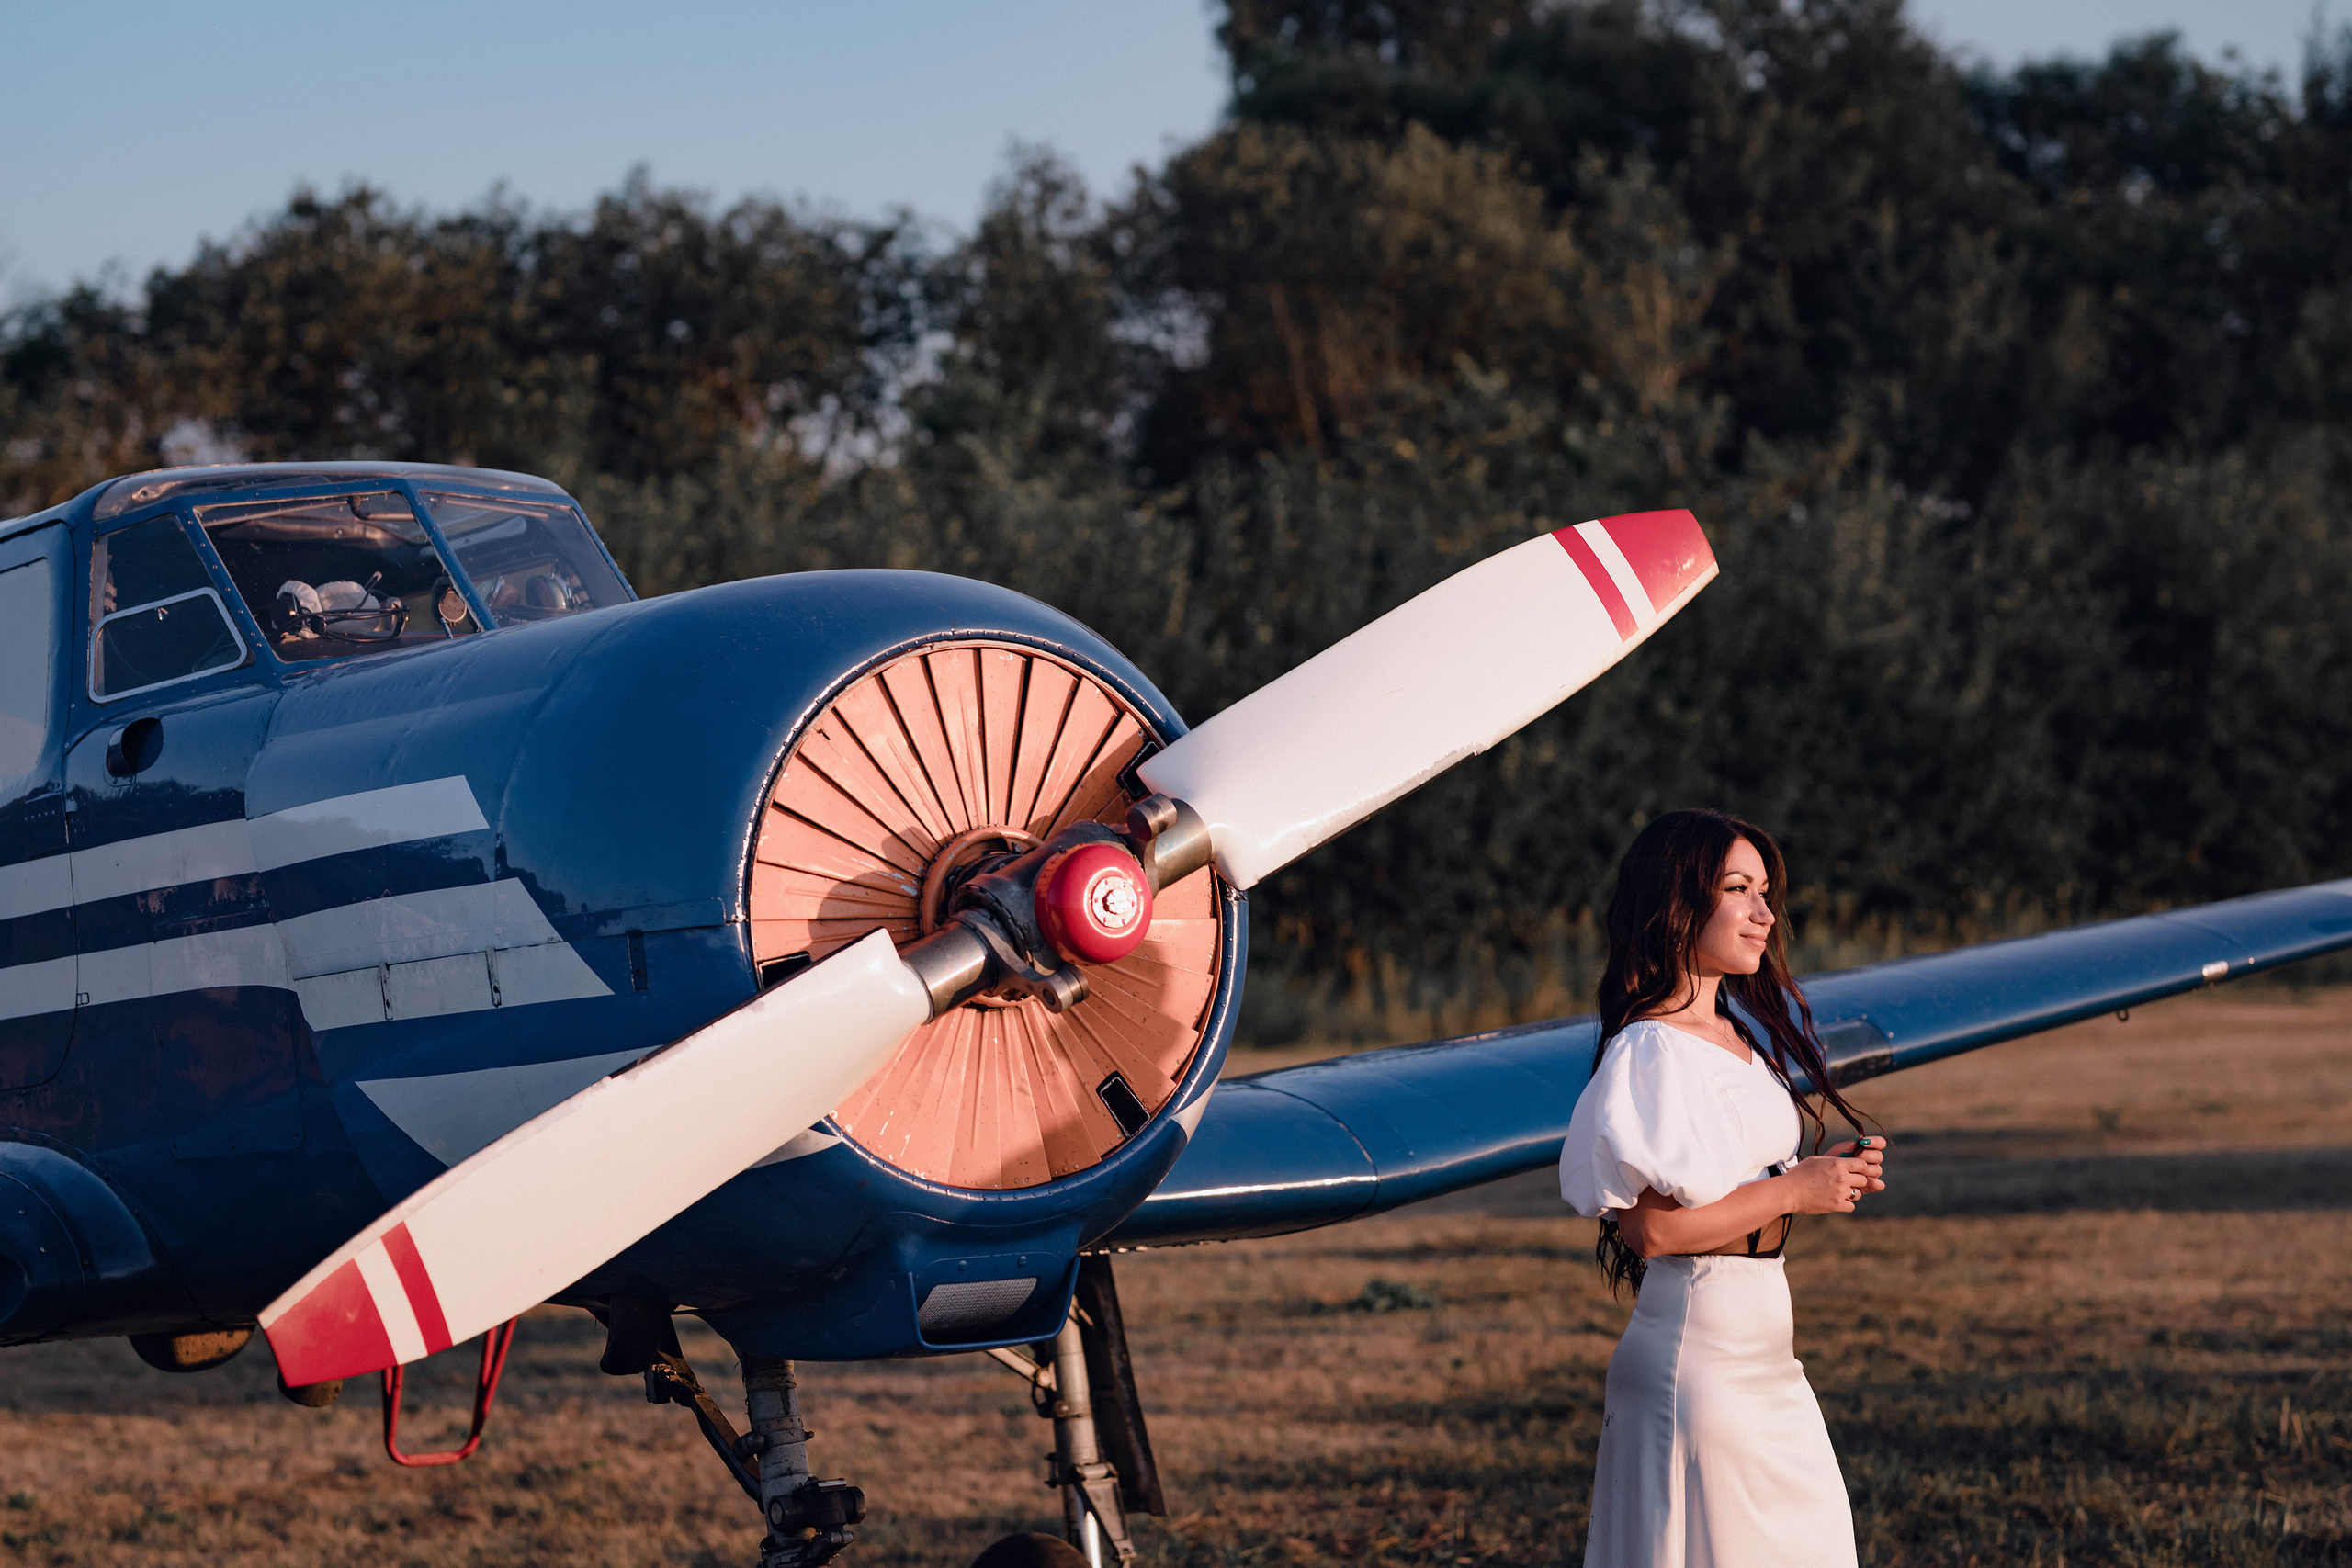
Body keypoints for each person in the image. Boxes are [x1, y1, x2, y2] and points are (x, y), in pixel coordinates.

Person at [1558, 809, 1886, 1567]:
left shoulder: (1737, 1035)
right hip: (1699, 1359)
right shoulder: (1650, 1047)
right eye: (1738, 889)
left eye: (1765, 891)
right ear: (1679, 905)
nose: (1765, 913)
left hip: (1766, 1353)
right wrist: (1796, 1189)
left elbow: (1735, 1178)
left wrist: (1817, 1175)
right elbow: (1656, 1232)